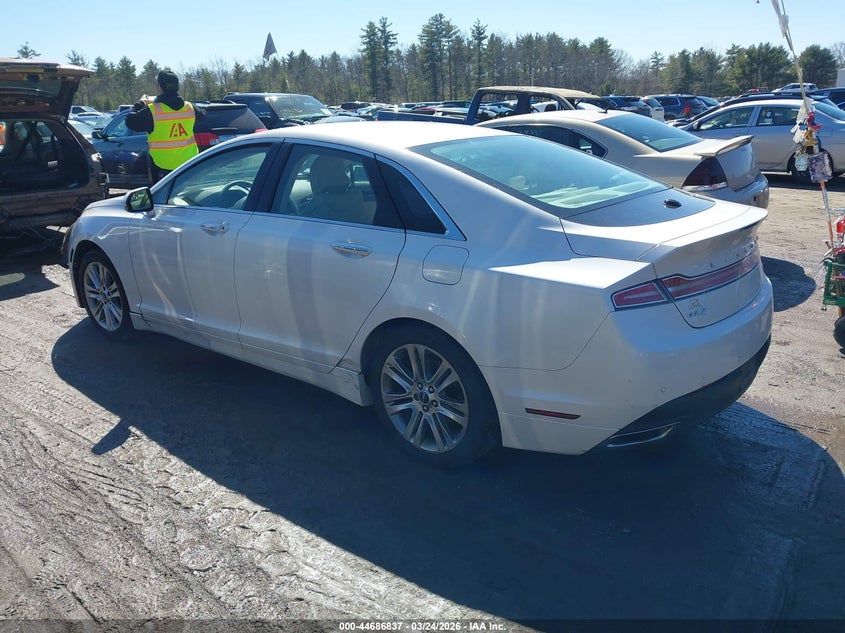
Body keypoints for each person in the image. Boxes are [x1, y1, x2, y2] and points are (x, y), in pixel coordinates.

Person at [125, 70, 205, 182]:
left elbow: (130, 121)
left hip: (162, 169)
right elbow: (203, 115)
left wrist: (141, 104)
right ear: (177, 87)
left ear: (159, 87)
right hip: (188, 166)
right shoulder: (190, 108)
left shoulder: (152, 111)